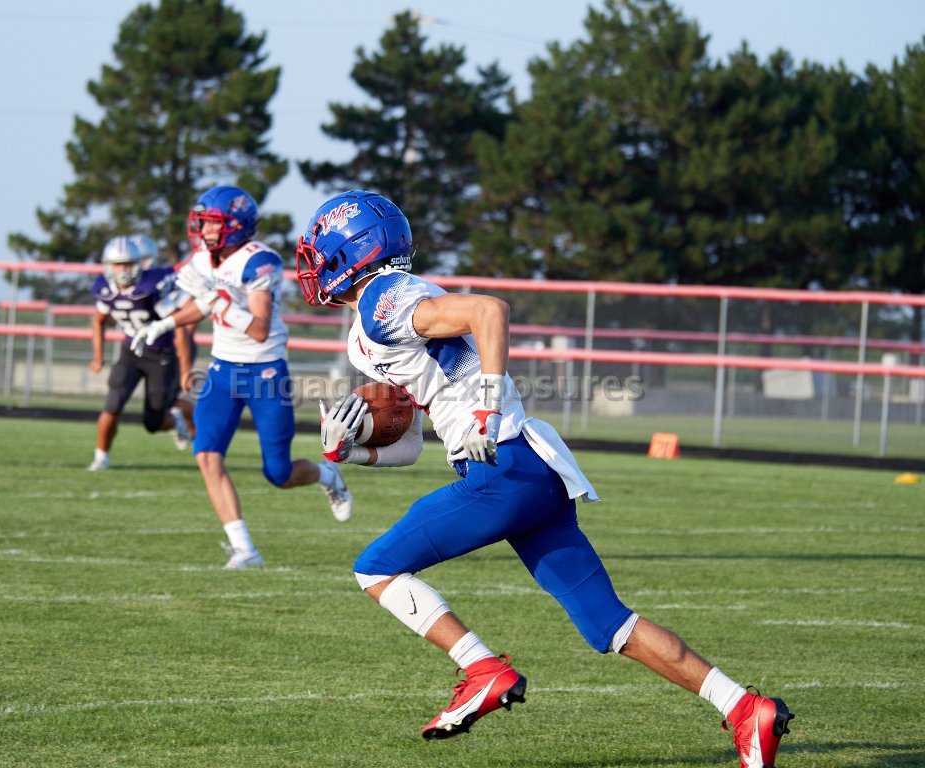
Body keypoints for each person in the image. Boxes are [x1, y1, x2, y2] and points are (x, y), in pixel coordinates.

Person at [297, 191, 794, 767]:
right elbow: (409, 444)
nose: (313, 267)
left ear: (351, 252)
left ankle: (482, 669)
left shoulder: (384, 299)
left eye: (319, 254)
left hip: (502, 469)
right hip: (529, 471)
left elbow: (490, 311)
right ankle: (745, 709)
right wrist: (354, 453)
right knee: (610, 625)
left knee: (376, 567)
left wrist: (485, 407)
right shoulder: (370, 327)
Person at [131, 185, 354, 570]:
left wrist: (213, 299)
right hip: (222, 370)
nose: (204, 230)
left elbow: (258, 328)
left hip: (264, 373)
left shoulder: (259, 261)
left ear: (235, 225)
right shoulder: (204, 259)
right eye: (202, 222)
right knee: (206, 454)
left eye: (212, 223)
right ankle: (244, 549)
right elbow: (202, 303)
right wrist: (163, 324)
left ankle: (327, 476)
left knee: (279, 473)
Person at [86, 235, 193, 470]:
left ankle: (175, 419)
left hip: (161, 354)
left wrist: (185, 370)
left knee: (153, 422)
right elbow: (98, 320)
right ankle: (101, 458)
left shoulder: (151, 286)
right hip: (131, 351)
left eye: (128, 264)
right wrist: (97, 357)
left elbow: (178, 327)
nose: (123, 270)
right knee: (113, 403)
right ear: (108, 265)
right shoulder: (104, 288)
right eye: (118, 264)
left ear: (138, 263)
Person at [130, 232, 196, 443]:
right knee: (163, 405)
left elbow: (189, 315)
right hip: (153, 347)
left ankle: (203, 432)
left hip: (173, 345)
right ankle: (194, 431)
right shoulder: (136, 284)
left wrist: (184, 361)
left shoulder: (162, 281)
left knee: (167, 403)